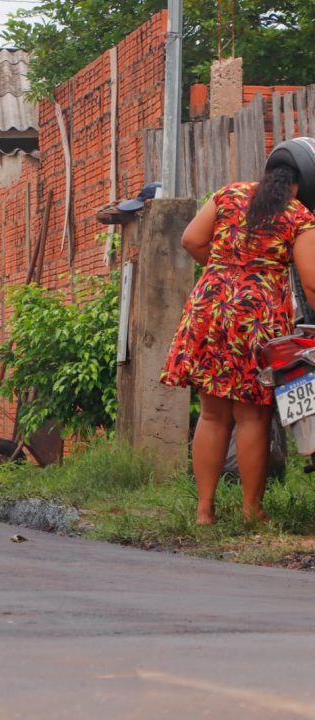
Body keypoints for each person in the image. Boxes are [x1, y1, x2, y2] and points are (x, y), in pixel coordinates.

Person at [161, 153, 315, 525]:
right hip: (258, 315)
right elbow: (310, 281)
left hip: (211, 307)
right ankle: (251, 510)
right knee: (253, 417)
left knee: (212, 414)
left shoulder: (228, 194)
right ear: (303, 183)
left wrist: (226, 271)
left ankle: (204, 510)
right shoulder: (299, 216)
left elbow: (191, 240)